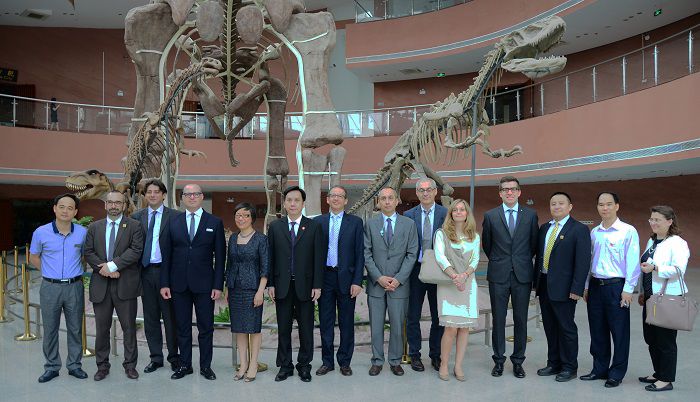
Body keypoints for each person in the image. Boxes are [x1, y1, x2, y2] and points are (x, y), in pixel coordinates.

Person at [160, 184, 225, 381]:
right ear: (182, 198)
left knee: (206, 328)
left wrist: (218, 285)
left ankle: (205, 366)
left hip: (205, 285)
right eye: (187, 194)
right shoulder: (173, 222)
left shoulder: (214, 222)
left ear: (202, 196)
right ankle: (185, 365)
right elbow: (166, 255)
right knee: (182, 327)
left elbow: (220, 257)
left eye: (196, 194)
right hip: (178, 284)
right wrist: (164, 283)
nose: (192, 197)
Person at [581, 192, 640, 388]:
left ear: (617, 206)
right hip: (596, 286)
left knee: (619, 332)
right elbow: (589, 261)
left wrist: (628, 289)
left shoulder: (628, 231)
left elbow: (633, 262)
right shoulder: (594, 233)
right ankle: (599, 369)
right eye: (601, 204)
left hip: (617, 287)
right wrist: (586, 286)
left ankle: (616, 372)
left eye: (608, 204)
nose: (604, 208)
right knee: (597, 331)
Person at [481, 176, 538, 378]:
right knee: (499, 319)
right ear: (500, 193)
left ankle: (518, 361)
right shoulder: (490, 216)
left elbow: (533, 245)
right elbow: (487, 245)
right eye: (505, 189)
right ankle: (498, 360)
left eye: (513, 189)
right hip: (499, 274)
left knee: (521, 319)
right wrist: (501, 261)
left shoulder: (530, 215)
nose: (509, 192)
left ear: (519, 192)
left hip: (522, 274)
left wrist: (519, 261)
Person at [83, 190, 144, 381]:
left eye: (118, 202)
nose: (114, 206)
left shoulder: (134, 226)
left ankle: (130, 366)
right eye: (110, 202)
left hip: (125, 285)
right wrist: (106, 270)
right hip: (101, 286)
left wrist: (112, 266)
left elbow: (136, 251)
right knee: (102, 329)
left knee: (128, 328)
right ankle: (102, 366)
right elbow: (88, 252)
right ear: (105, 205)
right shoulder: (94, 227)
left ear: (124, 205)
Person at [267, 186, 324, 383]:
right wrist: (271, 284)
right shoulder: (275, 227)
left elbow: (318, 258)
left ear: (303, 203)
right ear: (284, 203)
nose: (293, 204)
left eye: (297, 200)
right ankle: (285, 366)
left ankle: (304, 366)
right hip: (282, 285)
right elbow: (271, 257)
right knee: (283, 328)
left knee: (306, 329)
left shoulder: (314, 226)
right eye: (289, 200)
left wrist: (317, 285)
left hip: (306, 286)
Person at [30, 194, 88, 383]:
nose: (65, 211)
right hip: (50, 287)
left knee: (75, 328)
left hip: (74, 287)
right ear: (54, 208)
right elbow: (34, 257)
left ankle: (74, 365)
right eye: (61, 207)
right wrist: (49, 272)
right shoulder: (41, 232)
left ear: (76, 212)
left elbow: (84, 256)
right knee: (50, 328)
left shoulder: (82, 233)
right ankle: (52, 367)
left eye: (70, 208)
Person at [534, 192, 591, 382]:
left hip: (566, 289)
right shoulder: (545, 228)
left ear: (570, 207)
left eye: (561, 203)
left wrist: (577, 289)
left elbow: (582, 262)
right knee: (550, 327)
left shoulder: (579, 229)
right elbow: (539, 257)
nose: (556, 207)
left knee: (566, 328)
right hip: (544, 285)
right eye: (553, 204)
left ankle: (569, 366)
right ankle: (554, 363)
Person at [364, 187, 418, 377]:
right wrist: (378, 277)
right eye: (383, 198)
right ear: (378, 202)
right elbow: (366, 253)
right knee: (376, 326)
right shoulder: (370, 224)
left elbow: (412, 254)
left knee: (397, 326)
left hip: (399, 286)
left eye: (390, 198)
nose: (387, 201)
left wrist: (399, 279)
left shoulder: (409, 224)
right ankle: (377, 361)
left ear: (397, 201)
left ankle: (395, 361)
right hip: (376, 285)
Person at [637, 205, 690, 392]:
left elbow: (679, 270)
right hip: (651, 296)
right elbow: (645, 265)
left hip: (668, 297)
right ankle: (658, 372)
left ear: (669, 221)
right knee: (651, 337)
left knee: (665, 340)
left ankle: (666, 379)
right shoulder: (652, 241)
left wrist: (656, 268)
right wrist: (643, 291)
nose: (653, 223)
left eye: (657, 220)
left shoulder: (677, 243)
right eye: (651, 219)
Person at [314, 186, 364, 377]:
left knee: (346, 323)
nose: (336, 199)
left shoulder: (356, 223)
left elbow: (359, 254)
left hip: (347, 279)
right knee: (325, 323)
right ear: (327, 199)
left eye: (339, 196)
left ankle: (344, 362)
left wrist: (357, 281)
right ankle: (327, 362)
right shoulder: (318, 222)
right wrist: (315, 283)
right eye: (332, 196)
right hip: (325, 278)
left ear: (346, 200)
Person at [131, 179, 179, 373]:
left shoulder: (175, 217)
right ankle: (156, 358)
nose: (152, 195)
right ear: (144, 195)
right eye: (149, 192)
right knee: (150, 318)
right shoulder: (136, 217)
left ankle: (174, 357)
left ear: (163, 195)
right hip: (145, 272)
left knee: (170, 318)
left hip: (167, 274)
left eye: (156, 191)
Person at [434, 199, 480, 382]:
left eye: (462, 209)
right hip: (448, 284)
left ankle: (458, 365)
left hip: (468, 285)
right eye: (455, 210)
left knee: (464, 328)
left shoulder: (474, 236)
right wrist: (455, 276)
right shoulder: (442, 234)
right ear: (451, 214)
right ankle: (444, 364)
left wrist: (464, 276)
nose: (459, 212)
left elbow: (475, 259)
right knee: (451, 328)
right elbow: (440, 257)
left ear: (467, 213)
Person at [404, 178, 447, 372]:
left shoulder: (446, 214)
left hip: (439, 271)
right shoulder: (409, 215)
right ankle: (415, 355)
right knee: (413, 315)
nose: (426, 193)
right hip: (415, 270)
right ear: (417, 193)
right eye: (421, 190)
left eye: (429, 189)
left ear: (435, 191)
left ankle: (436, 355)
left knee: (438, 316)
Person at [226, 203, 269, 382]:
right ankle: (243, 364)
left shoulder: (261, 239)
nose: (241, 219)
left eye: (245, 215)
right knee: (239, 329)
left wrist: (260, 291)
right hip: (235, 289)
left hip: (253, 289)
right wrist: (227, 288)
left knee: (253, 328)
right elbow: (229, 265)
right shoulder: (233, 238)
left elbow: (265, 268)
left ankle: (253, 364)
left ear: (252, 218)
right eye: (238, 215)